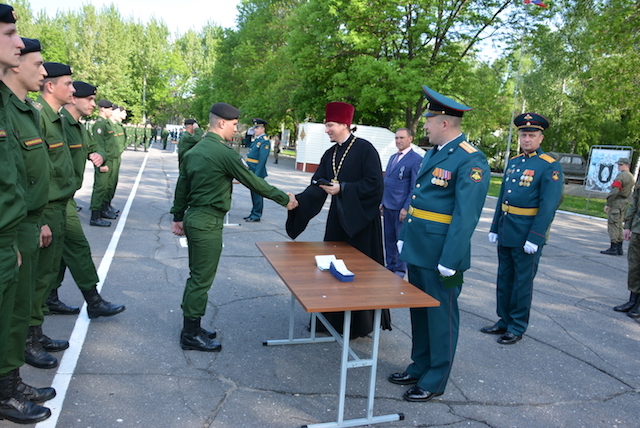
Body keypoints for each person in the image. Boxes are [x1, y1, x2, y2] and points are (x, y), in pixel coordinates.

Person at [388, 85, 490, 402]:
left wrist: (451, 258)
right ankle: (419, 365)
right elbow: (417, 202)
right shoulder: (433, 153)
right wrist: (404, 239)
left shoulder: (471, 160)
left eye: (429, 120)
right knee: (420, 312)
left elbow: (465, 216)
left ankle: (435, 378)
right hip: (419, 249)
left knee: (442, 317)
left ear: (444, 123)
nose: (425, 126)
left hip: (444, 256)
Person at [170, 102, 298, 352]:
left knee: (196, 276)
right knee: (201, 280)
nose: (237, 129)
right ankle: (190, 334)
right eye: (233, 124)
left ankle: (192, 326)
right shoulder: (224, 153)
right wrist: (285, 199)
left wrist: (177, 216)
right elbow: (254, 181)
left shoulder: (194, 151)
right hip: (208, 222)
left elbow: (182, 186)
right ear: (221, 123)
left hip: (195, 218)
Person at [286, 101, 391, 338]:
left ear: (345, 124)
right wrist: (298, 202)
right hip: (337, 221)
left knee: (358, 275)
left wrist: (343, 188)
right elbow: (318, 185)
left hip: (362, 224)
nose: (327, 130)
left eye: (330, 125)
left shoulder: (365, 149)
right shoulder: (330, 154)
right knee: (331, 271)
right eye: (326, 125)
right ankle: (328, 320)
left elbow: (375, 186)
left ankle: (358, 325)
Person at [0, 18, 53, 423]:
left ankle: (9, 384)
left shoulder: (19, 107)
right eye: (9, 35)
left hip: (20, 222)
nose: (17, 44)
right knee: (10, 314)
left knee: (14, 313)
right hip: (11, 227)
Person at [483, 112, 564, 345]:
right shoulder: (515, 163)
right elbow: (503, 199)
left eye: (531, 135)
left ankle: (517, 325)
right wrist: (495, 225)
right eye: (523, 135)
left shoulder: (549, 166)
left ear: (541, 138)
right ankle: (504, 319)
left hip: (527, 233)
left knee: (522, 282)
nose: (526, 139)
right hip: (508, 229)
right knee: (504, 278)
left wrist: (536, 237)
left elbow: (548, 206)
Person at [56, 80, 126, 319]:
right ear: (74, 98)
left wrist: (98, 154)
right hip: (53, 202)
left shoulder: (77, 127)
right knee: (77, 249)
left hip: (65, 199)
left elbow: (98, 147)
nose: (94, 105)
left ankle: (50, 298)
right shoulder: (59, 123)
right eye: (90, 100)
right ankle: (93, 301)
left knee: (59, 254)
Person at [27, 62, 77, 370]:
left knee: (46, 277)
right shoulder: (39, 118)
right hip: (47, 209)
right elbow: (35, 175)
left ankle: (37, 333)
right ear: (51, 86)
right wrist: (41, 217)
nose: (73, 89)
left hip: (59, 207)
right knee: (37, 279)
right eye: (69, 84)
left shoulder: (53, 118)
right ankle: (28, 341)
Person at [381, 128, 422, 278]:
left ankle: (399, 270)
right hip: (388, 205)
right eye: (397, 138)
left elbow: (414, 187)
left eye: (402, 138)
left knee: (400, 240)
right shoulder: (393, 157)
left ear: (410, 139)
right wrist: (382, 201)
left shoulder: (416, 159)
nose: (398, 141)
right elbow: (387, 181)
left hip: (401, 208)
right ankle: (390, 266)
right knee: (389, 238)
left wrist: (406, 208)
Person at [614, 179, 640, 316]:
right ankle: (632, 300)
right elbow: (635, 202)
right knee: (634, 265)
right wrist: (628, 226)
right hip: (637, 229)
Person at [89, 99, 116, 227]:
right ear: (102, 109)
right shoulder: (99, 125)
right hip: (103, 161)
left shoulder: (107, 123)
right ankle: (95, 216)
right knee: (100, 188)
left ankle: (103, 210)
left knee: (106, 187)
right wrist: (102, 163)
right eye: (109, 108)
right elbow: (98, 145)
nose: (111, 111)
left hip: (110, 160)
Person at [601, 157, 634, 256]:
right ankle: (619, 247)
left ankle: (614, 247)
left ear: (627, 165)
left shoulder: (621, 176)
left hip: (617, 202)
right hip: (624, 202)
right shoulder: (631, 176)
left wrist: (608, 203)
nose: (618, 166)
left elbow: (615, 190)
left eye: (621, 165)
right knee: (619, 224)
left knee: (613, 224)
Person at [244, 118, 271, 222]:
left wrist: (257, 175)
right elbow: (247, 144)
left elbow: (262, 160)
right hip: (251, 170)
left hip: (257, 172)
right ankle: (253, 213)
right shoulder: (257, 140)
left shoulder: (265, 141)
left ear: (263, 128)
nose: (255, 130)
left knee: (257, 194)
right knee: (253, 193)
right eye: (254, 128)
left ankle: (256, 215)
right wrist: (248, 135)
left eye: (257, 128)